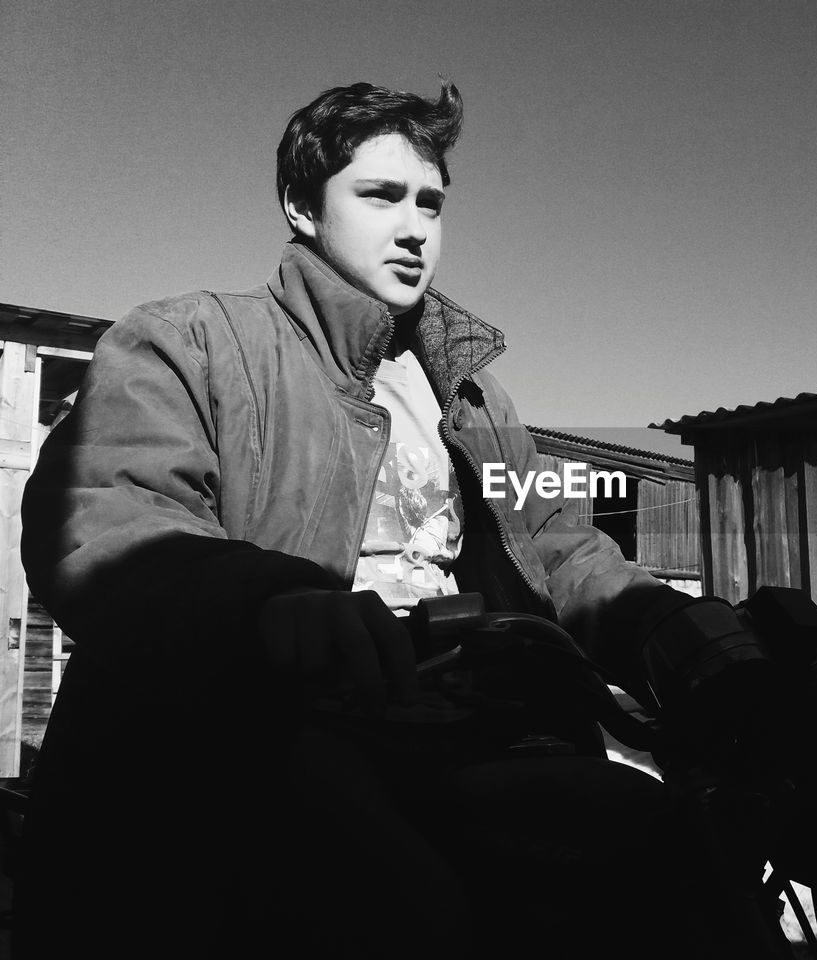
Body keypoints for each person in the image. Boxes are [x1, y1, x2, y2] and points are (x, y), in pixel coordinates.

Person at [17, 82, 761, 958]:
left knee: (671, 866)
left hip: (469, 735)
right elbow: (112, 514)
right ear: (301, 205)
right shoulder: (190, 342)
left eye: (432, 204)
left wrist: (678, 628)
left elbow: (562, 543)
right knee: (409, 911)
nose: (415, 227)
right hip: (256, 754)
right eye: (381, 196)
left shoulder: (474, 398)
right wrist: (270, 601)